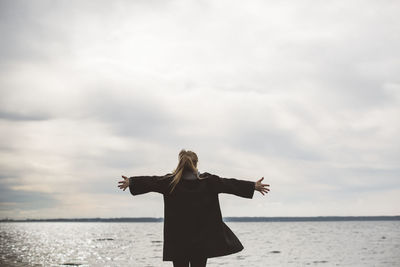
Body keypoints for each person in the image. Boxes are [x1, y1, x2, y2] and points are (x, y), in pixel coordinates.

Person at [117, 149, 270, 267]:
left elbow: (150, 181)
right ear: (196, 164)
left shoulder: (170, 182)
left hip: (177, 241)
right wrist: (252, 186)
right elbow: (230, 184)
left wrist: (132, 181)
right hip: (201, 240)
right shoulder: (208, 181)